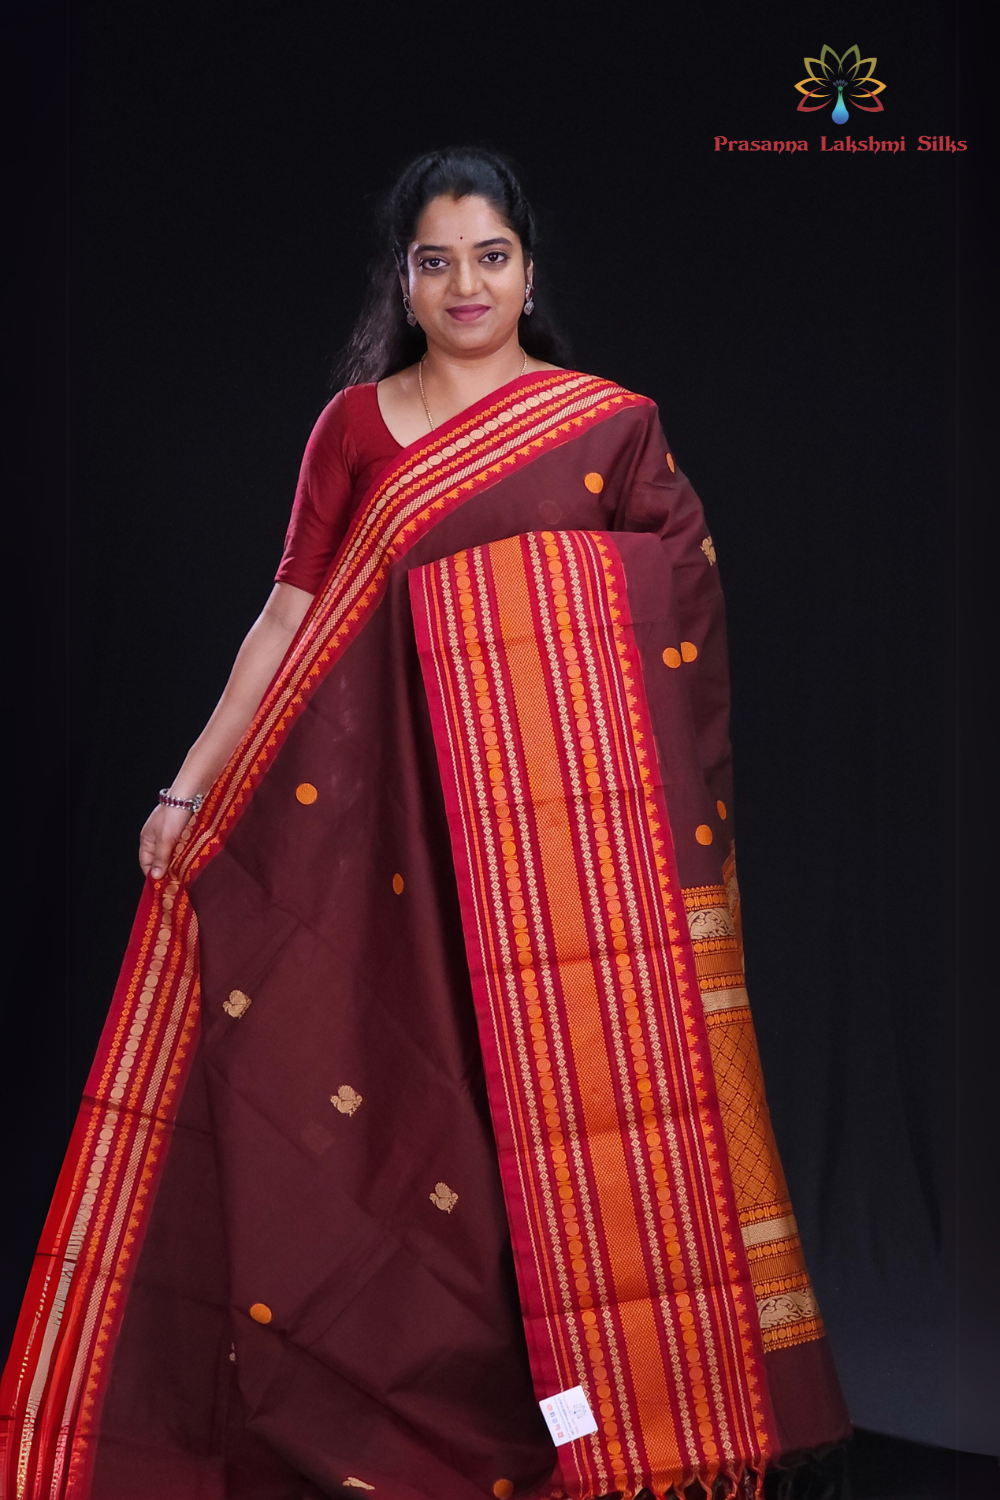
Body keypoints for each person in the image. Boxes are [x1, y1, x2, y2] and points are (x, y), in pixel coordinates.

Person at [2, 147, 849, 1500]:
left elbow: (678, 612)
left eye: (490, 257)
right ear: (402, 280)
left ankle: (593, 1422)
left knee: (549, 1139)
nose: (466, 285)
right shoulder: (353, 427)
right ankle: (368, 1412)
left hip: (550, 866)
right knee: (391, 1130)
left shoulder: (605, 425)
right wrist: (189, 784)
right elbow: (290, 615)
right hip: (375, 851)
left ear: (529, 271)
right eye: (437, 260)